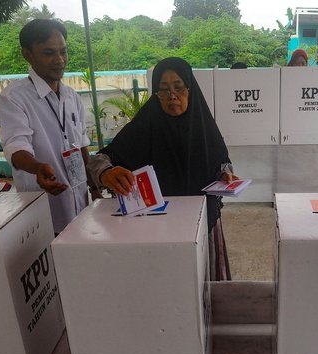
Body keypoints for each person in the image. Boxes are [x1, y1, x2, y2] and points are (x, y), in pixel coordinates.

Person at [87, 57, 238, 281]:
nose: (172, 96)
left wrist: (224, 173)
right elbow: (101, 158)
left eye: (178, 88)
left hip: (202, 222)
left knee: (203, 289)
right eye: (163, 90)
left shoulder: (202, 125)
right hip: (157, 226)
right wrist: (105, 173)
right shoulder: (145, 125)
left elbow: (220, 161)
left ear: (191, 89)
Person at [0, 19, 101, 234]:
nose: (59, 60)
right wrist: (38, 168)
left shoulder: (71, 96)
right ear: (28, 54)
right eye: (48, 53)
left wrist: (93, 185)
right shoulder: (14, 98)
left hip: (81, 206)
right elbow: (16, 146)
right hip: (44, 213)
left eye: (63, 51)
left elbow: (81, 144)